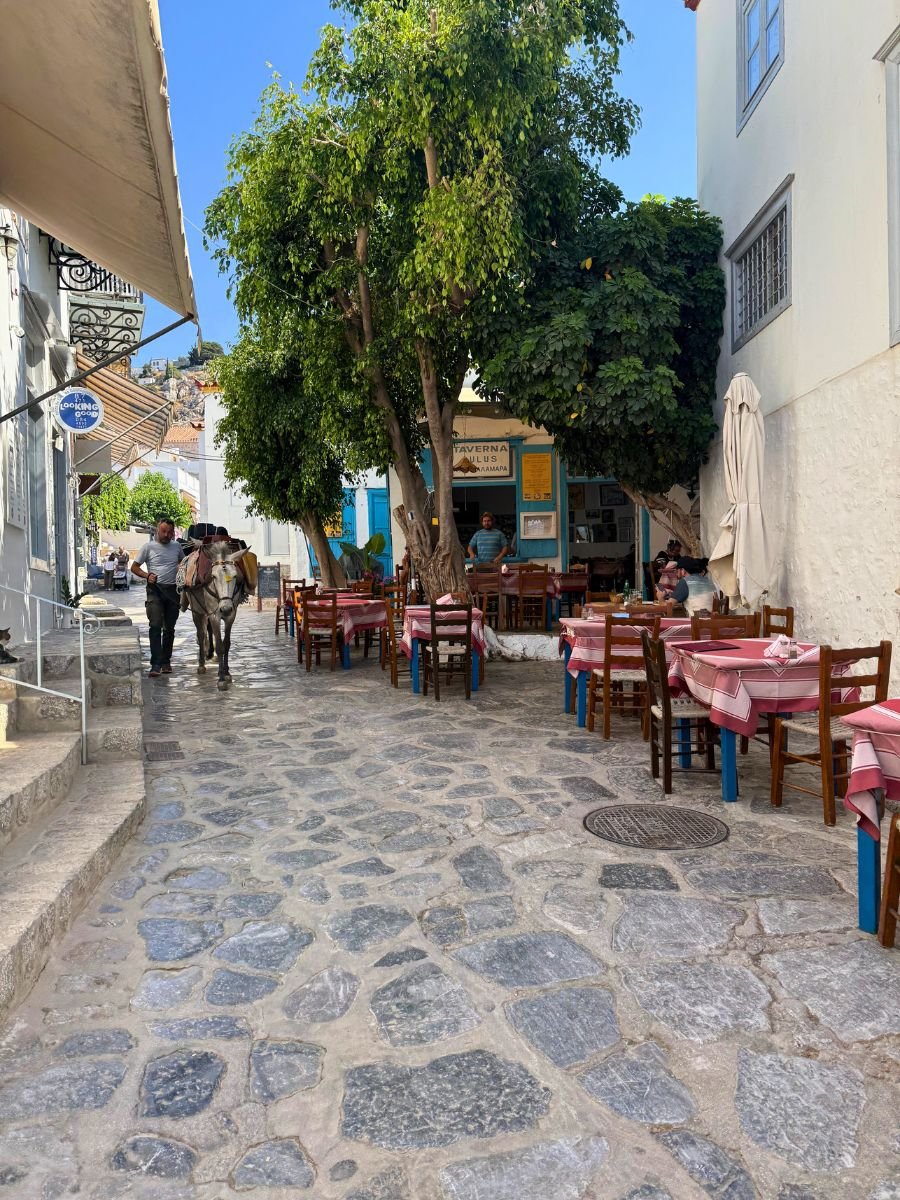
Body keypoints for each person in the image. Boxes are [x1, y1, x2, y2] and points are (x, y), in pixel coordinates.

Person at [131, 518, 185, 677]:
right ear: (157, 530)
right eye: (164, 531)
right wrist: (147, 575)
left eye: (170, 532)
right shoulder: (148, 547)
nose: (167, 535)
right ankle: (155, 665)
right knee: (155, 626)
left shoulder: (177, 546)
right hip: (155, 590)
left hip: (173, 592)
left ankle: (166, 662)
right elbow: (134, 567)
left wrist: (181, 570)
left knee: (169, 629)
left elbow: (183, 562)